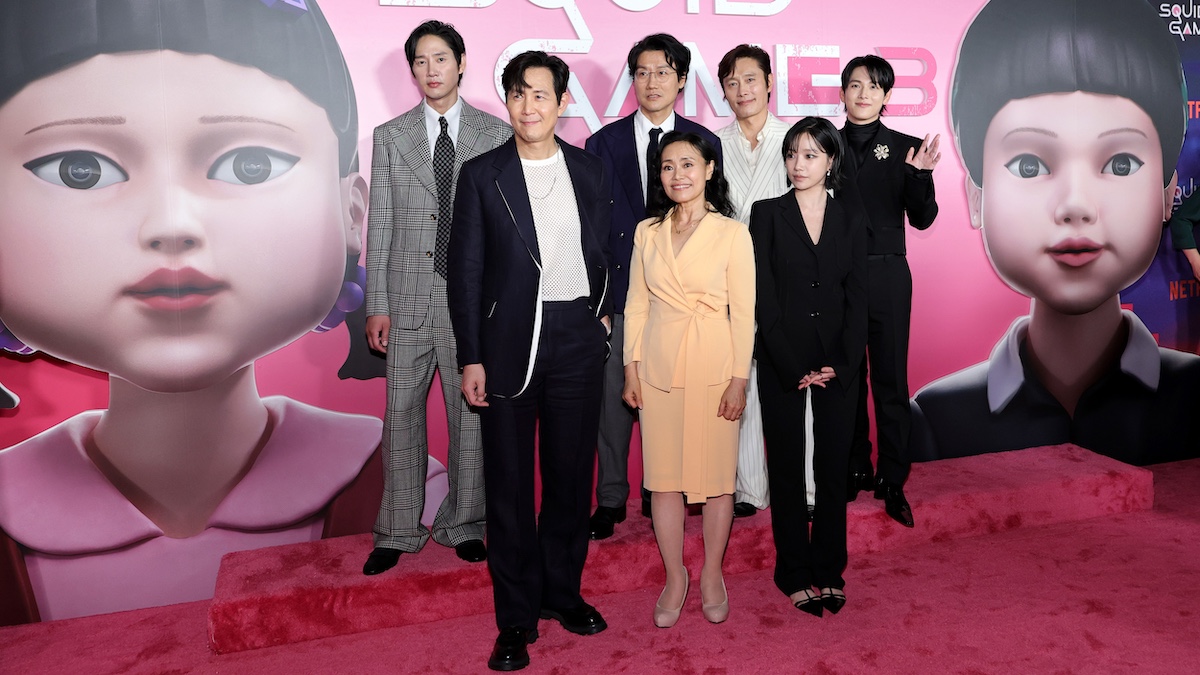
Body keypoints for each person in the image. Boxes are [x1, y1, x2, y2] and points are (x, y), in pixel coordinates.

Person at [0, 0, 388, 623]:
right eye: (80, 170)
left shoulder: (414, 495)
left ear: (353, 213)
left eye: (250, 165)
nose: (171, 223)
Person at [910, 0, 1200, 466]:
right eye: (1029, 165)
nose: (1075, 205)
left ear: (1168, 193)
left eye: (1120, 164)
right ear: (976, 196)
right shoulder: (937, 420)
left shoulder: (1194, 398)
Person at [448, 51, 612, 672]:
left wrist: (603, 315)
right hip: (509, 342)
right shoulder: (482, 175)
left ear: (563, 101)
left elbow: (608, 248)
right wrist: (472, 356)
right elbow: (465, 272)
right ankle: (515, 619)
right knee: (510, 487)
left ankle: (562, 594)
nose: (528, 106)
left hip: (576, 338)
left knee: (570, 479)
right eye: (517, 94)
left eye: (540, 94)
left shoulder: (589, 170)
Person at [361, 20, 511, 576]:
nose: (431, 70)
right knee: (399, 417)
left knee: (470, 417)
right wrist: (377, 302)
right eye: (420, 61)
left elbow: (503, 225)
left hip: (471, 302)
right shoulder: (391, 135)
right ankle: (398, 530)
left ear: (462, 62)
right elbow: (380, 224)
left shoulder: (494, 133)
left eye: (440, 58)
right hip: (405, 300)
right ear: (412, 70)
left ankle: (464, 523)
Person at [585, 33, 723, 540]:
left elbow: (715, 219)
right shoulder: (603, 143)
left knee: (670, 401)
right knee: (613, 403)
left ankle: (662, 488)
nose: (652, 82)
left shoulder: (703, 141)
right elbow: (591, 232)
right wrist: (600, 301)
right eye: (642, 72)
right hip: (623, 295)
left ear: (681, 80)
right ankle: (610, 497)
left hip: (682, 303)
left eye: (663, 72)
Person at [622, 131, 754, 628]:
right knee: (664, 480)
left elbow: (744, 315)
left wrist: (739, 379)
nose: (677, 174)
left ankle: (712, 574)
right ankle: (674, 575)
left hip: (715, 366)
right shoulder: (646, 231)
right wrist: (631, 368)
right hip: (658, 367)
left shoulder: (732, 233)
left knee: (717, 481)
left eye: (688, 164)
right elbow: (637, 304)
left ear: (709, 169)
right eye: (667, 166)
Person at [751, 117, 867, 617]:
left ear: (831, 160)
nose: (798, 164)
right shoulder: (767, 214)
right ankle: (793, 571)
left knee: (833, 469)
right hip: (783, 357)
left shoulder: (851, 216)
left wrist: (841, 362)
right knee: (787, 466)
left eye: (811, 155)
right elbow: (763, 296)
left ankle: (829, 570)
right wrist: (791, 362)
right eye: (792, 154)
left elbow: (858, 297)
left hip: (838, 359)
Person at [838, 55, 939, 529]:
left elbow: (923, 218)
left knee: (890, 380)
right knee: (846, 378)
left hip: (887, 274)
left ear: (887, 96)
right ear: (843, 92)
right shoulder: (823, 144)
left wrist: (919, 177)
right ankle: (854, 466)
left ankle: (893, 476)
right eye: (855, 85)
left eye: (874, 87)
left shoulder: (905, 148)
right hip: (836, 276)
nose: (864, 94)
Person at [715, 43, 791, 519]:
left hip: (785, 279)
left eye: (750, 79)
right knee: (740, 377)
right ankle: (749, 488)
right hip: (727, 281)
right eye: (732, 82)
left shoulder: (795, 139)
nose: (742, 89)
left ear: (768, 83)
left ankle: (803, 489)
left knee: (793, 382)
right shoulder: (711, 144)